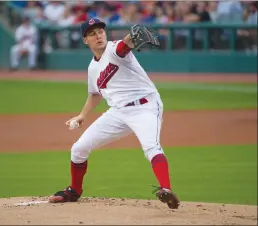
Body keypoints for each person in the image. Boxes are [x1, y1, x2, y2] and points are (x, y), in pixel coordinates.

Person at [48, 18, 180, 209]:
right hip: (118, 112)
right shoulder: (92, 68)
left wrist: (130, 38)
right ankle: (74, 191)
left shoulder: (115, 49)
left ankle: (166, 190)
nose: (98, 36)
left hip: (145, 106)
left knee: (151, 147)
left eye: (100, 31)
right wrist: (82, 115)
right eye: (92, 33)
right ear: (85, 40)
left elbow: (125, 45)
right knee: (78, 149)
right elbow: (94, 94)